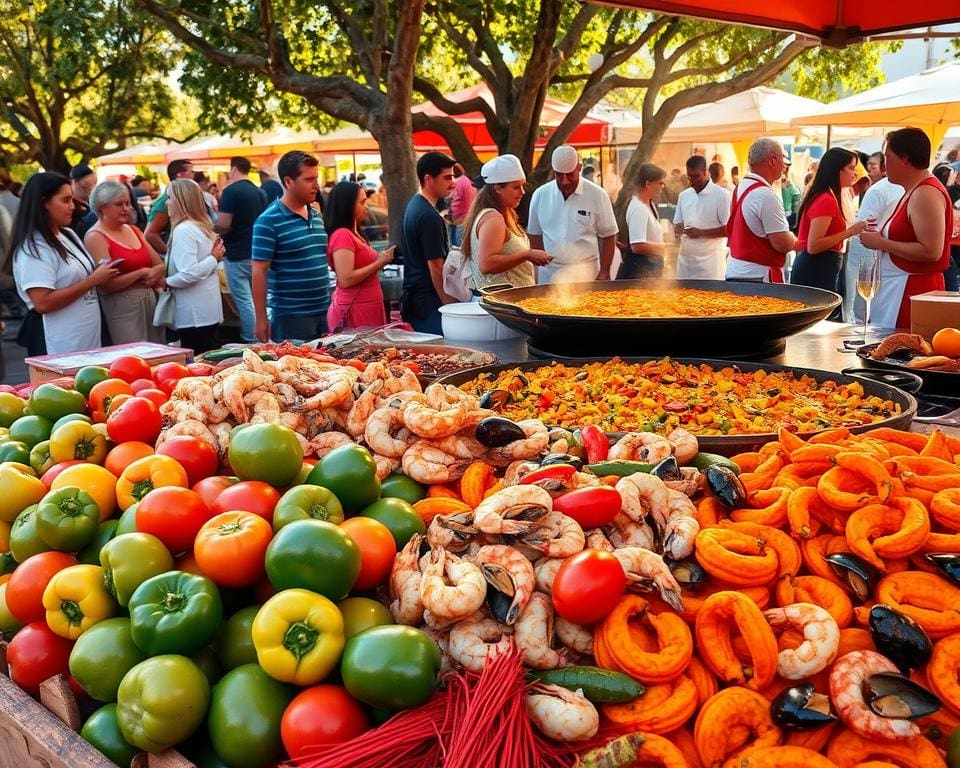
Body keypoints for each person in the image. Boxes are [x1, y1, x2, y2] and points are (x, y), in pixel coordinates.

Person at [9, 172, 118, 354]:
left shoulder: (67, 234)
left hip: (86, 335)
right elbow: (42, 303)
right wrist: (92, 281)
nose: (73, 206)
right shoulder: (34, 247)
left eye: (72, 199)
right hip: (57, 340)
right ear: (44, 202)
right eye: (65, 200)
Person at [860, 128, 953, 329]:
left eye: (888, 156)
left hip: (911, 293)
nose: (885, 164)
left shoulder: (925, 193)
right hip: (899, 291)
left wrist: (881, 242)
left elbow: (931, 251)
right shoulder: (914, 191)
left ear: (904, 158)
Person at [251, 150, 330, 343]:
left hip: (324, 312)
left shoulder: (316, 214)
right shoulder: (268, 221)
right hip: (291, 317)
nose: (316, 186)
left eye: (316, 178)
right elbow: (258, 271)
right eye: (309, 179)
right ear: (288, 182)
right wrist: (260, 319)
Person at [84, 181, 166, 344]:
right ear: (102, 207)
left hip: (150, 300)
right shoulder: (95, 237)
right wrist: (141, 273)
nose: (126, 208)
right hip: (122, 306)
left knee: (157, 352)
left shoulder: (134, 230)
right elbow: (106, 284)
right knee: (132, 355)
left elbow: (160, 264)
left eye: (128, 203)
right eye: (119, 204)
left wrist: (153, 273)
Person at [789, 148, 868, 314]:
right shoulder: (826, 199)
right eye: (851, 168)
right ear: (837, 169)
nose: (855, 174)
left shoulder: (831, 196)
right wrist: (850, 231)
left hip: (822, 266)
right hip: (815, 268)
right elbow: (814, 245)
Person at [527, 145, 618, 283]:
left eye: (570, 175)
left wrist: (605, 272)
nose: (565, 181)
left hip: (585, 271)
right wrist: (538, 267)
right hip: (549, 272)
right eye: (559, 175)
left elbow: (609, 235)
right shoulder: (540, 195)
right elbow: (534, 235)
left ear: (579, 168)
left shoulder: (597, 195)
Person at [461, 154, 551, 290]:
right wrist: (527, 254)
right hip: (499, 307)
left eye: (522, 186)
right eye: (516, 187)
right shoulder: (493, 219)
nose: (522, 192)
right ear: (497, 188)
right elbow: (487, 264)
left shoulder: (503, 214)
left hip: (508, 305)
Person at [163, 179, 225, 353]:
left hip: (193, 313)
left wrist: (166, 282)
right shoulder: (202, 227)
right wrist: (213, 259)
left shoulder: (184, 230)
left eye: (169, 197)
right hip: (205, 310)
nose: (167, 202)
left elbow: (189, 274)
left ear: (181, 201)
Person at [324, 181, 395, 331]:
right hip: (355, 309)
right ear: (347, 205)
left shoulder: (354, 233)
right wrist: (379, 262)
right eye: (362, 202)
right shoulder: (342, 235)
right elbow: (345, 279)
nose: (366, 207)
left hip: (367, 307)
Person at [844, 151, 905, 322]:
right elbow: (863, 231)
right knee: (863, 312)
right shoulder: (879, 190)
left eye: (874, 164)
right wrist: (864, 270)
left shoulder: (910, 189)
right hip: (872, 260)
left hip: (890, 263)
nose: (868, 168)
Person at [400, 152, 457, 334]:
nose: (453, 182)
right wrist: (449, 307)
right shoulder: (428, 215)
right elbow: (435, 266)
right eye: (447, 177)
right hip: (429, 301)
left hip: (418, 299)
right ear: (428, 179)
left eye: (453, 176)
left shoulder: (414, 206)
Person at [725, 138, 796, 283]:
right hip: (759, 278)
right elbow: (782, 244)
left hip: (735, 271)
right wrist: (792, 238)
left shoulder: (741, 186)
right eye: (783, 158)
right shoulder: (765, 195)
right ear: (772, 161)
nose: (784, 165)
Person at [216, 156, 267, 343]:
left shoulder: (230, 191)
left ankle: (251, 338)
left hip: (237, 253)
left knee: (245, 301)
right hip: (259, 253)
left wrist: (210, 230)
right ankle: (263, 336)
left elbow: (224, 223)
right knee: (259, 301)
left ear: (234, 169)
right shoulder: (259, 192)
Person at [671, 156, 731, 280]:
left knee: (712, 298)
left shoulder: (722, 195)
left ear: (706, 173)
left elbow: (729, 230)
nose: (692, 180)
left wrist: (702, 233)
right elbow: (677, 223)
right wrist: (677, 229)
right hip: (685, 260)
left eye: (696, 176)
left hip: (710, 263)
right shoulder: (684, 195)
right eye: (689, 176)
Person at [620, 163, 667, 279]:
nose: (663, 186)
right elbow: (637, 245)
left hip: (651, 269)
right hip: (640, 272)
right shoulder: (638, 208)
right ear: (648, 184)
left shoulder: (649, 204)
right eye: (660, 183)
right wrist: (664, 248)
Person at [144, 159, 196, 254]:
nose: (194, 175)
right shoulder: (166, 201)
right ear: (179, 175)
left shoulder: (182, 197)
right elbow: (150, 234)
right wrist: (170, 255)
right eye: (191, 172)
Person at [448, 163, 477, 247]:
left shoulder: (458, 182)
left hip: (461, 220)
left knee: (457, 247)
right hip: (465, 218)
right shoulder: (466, 181)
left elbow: (453, 199)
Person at [69, 164, 97, 238]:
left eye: (94, 182)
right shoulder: (71, 208)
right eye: (88, 183)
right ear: (75, 183)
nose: (93, 187)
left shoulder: (91, 204)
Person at [780, 162, 802, 231]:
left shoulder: (786, 184)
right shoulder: (787, 184)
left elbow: (787, 210)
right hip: (792, 218)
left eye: (785, 169)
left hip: (789, 218)